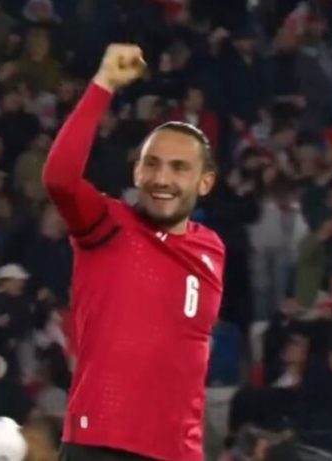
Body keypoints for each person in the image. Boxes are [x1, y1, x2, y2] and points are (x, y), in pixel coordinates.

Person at [42, 44, 225, 461]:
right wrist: (104, 83)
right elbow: (60, 178)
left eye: (180, 168)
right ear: (136, 171)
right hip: (101, 443)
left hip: (179, 451)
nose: (163, 178)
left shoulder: (212, 248)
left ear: (205, 182)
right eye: (152, 164)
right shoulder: (107, 224)